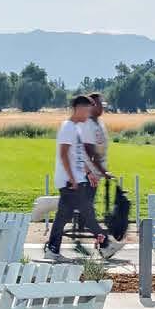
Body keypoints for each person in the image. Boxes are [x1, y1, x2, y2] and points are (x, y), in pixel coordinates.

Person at [46, 94, 103, 261]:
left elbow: (77, 157)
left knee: (64, 215)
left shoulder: (76, 129)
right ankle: (105, 240)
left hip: (76, 179)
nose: (89, 115)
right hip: (70, 181)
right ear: (79, 109)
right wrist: (72, 178)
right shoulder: (68, 127)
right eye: (88, 111)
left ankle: (52, 249)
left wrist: (89, 173)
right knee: (86, 210)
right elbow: (63, 154)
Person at [79, 91, 119, 260]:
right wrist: (101, 171)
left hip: (94, 173)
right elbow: (89, 153)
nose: (102, 107)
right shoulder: (88, 125)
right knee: (87, 211)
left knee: (85, 210)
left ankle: (100, 242)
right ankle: (105, 244)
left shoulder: (98, 123)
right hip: (87, 174)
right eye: (100, 104)